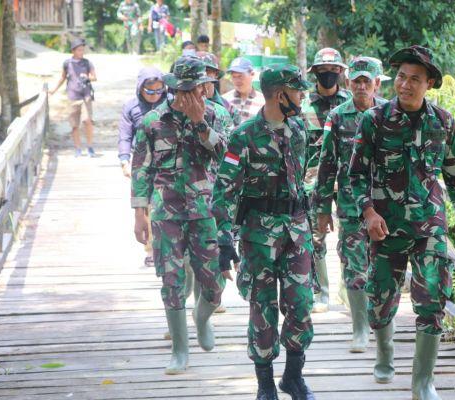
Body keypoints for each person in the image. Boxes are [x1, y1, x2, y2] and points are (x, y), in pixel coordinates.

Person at [348, 46, 455, 397]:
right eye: (401, 77)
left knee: (432, 298)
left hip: (429, 225)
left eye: (415, 79)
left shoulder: (443, 122)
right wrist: (368, 212)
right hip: (385, 226)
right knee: (380, 301)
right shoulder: (373, 120)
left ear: (429, 83)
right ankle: (384, 353)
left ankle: (423, 381)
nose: (405, 85)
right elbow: (356, 175)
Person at [212, 64, 316, 400]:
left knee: (301, 304)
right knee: (262, 310)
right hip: (259, 237)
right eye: (297, 91)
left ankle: (293, 377)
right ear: (280, 95)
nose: (302, 96)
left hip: (297, 232)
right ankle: (266, 384)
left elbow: (302, 179)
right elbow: (223, 192)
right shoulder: (243, 136)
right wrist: (224, 241)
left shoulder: (299, 129)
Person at [131, 57, 228, 374]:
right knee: (171, 281)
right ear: (173, 88)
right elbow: (141, 170)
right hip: (166, 213)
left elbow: (225, 157)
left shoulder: (216, 115)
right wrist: (139, 214)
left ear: (204, 87)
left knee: (213, 283)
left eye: (195, 88)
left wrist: (201, 123)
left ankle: (202, 318)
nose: (190, 95)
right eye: (183, 89)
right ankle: (179, 350)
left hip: (205, 211)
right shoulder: (152, 121)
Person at [314, 57, 387, 353]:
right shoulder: (337, 117)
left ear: (377, 84)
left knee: (383, 270)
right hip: (351, 207)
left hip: (387, 207)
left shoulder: (391, 114)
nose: (361, 86)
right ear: (348, 83)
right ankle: (360, 329)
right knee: (354, 269)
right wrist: (322, 209)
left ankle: (382, 324)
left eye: (366, 81)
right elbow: (327, 164)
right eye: (356, 81)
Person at [301, 47, 351, 313]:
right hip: (314, 181)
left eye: (333, 70)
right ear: (314, 73)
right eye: (323, 70)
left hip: (347, 180)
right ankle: (320, 293)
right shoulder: (304, 105)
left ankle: (348, 290)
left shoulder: (351, 103)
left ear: (341, 72)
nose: (328, 74)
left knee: (350, 236)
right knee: (315, 238)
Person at [118, 67, 167, 268]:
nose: (155, 95)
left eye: (159, 91)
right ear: (140, 89)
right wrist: (124, 159)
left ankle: (164, 247)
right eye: (150, 91)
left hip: (165, 163)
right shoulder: (131, 108)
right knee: (144, 206)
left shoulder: (170, 104)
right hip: (141, 164)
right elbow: (125, 135)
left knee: (161, 206)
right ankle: (150, 249)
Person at [49, 38, 97, 158]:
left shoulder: (87, 63)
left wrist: (87, 77)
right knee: (74, 125)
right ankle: (78, 148)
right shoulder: (67, 64)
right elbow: (62, 78)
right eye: (79, 50)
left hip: (86, 96)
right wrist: (54, 90)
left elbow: (94, 77)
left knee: (87, 121)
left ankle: (90, 146)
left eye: (82, 50)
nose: (81, 52)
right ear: (73, 51)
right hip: (72, 96)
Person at [197, 51, 242, 127]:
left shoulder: (230, 110)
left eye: (206, 70)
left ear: (216, 74)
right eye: (197, 71)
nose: (202, 75)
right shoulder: (186, 104)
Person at [223, 57, 265, 122]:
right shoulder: (225, 100)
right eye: (234, 77)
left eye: (240, 76)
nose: (237, 80)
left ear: (252, 74)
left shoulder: (263, 102)